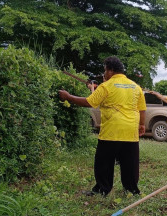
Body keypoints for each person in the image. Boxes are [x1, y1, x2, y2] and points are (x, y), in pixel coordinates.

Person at [58, 56, 146, 196]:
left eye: (105, 70)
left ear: (110, 70)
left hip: (111, 131)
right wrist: (142, 124)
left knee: (104, 162)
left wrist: (68, 96)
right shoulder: (136, 87)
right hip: (130, 131)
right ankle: (131, 190)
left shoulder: (107, 86)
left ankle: (102, 189)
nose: (104, 74)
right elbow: (142, 109)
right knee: (130, 163)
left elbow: (88, 102)